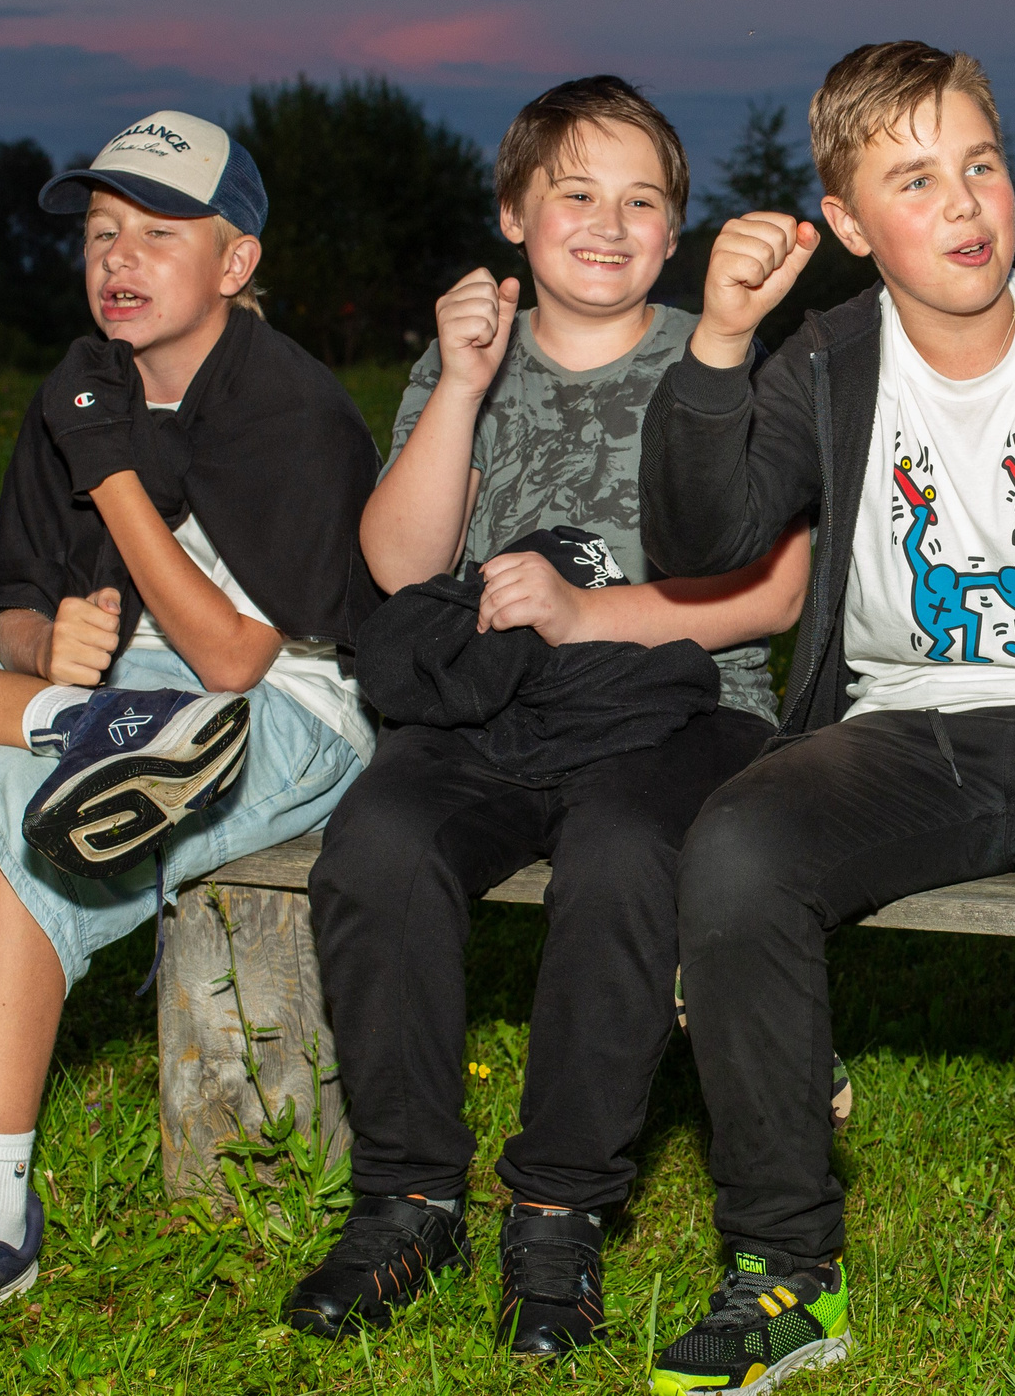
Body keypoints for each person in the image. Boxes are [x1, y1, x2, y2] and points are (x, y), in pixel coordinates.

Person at [639, 42, 1015, 1396]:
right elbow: (702, 538)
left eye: (981, 164)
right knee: (736, 848)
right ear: (854, 224)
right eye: (916, 179)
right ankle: (785, 1271)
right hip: (899, 732)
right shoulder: (824, 359)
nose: (967, 203)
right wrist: (719, 341)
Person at [0, 112, 382, 1331]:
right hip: (104, 700)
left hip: (276, 703)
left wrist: (108, 465)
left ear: (237, 262)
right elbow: (3, 591)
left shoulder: (286, 405)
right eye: (104, 231)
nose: (121, 257)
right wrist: (39, 650)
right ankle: (66, 726)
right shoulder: (81, 381)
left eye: (160, 233)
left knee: (8, 795)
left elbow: (236, 649)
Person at [285, 77, 809, 1355]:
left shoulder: (719, 356)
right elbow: (405, 569)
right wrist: (461, 386)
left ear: (675, 228)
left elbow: (774, 592)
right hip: (495, 709)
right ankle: (405, 1198)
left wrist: (589, 612)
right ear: (515, 214)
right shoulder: (462, 362)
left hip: (685, 711)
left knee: (626, 854)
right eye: (574, 193)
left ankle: (557, 1212)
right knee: (378, 848)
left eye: (640, 200)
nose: (607, 223)